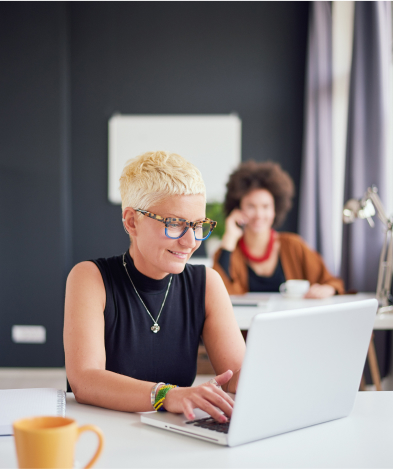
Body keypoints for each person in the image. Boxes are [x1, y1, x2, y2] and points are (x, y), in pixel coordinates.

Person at [64, 151, 245, 423]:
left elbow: (237, 377)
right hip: (102, 433)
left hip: (173, 435)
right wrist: (167, 395)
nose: (190, 241)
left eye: (198, 225)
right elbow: (85, 380)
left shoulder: (207, 283)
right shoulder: (90, 278)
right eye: (174, 224)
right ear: (131, 222)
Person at [213, 161, 344, 297]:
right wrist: (229, 240)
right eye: (251, 206)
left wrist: (328, 289)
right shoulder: (227, 253)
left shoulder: (293, 245)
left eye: (265, 206)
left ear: (275, 210)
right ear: (238, 209)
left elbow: (332, 282)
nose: (259, 215)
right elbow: (218, 295)